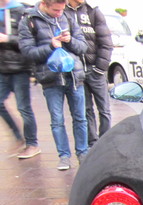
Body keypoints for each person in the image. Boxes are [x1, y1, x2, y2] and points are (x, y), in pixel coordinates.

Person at [18, 0, 88, 170]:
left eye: (62, 10)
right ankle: (64, 156)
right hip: (50, 78)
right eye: (56, 10)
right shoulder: (29, 20)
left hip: (73, 75)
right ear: (44, 4)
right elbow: (27, 52)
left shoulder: (68, 16)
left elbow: (83, 46)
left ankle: (83, 153)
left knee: (80, 117)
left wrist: (70, 40)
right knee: (57, 120)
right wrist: (50, 46)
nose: (59, 13)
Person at [65, 0, 112, 148]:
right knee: (86, 110)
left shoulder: (93, 11)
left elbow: (106, 42)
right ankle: (93, 143)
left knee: (104, 109)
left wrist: (100, 68)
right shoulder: (63, 12)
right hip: (77, 71)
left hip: (95, 69)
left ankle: (106, 142)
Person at [0, 0, 39, 159]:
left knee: (24, 108)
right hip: (2, 68)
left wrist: (7, 39)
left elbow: (27, 39)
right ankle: (18, 136)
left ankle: (32, 144)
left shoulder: (21, 11)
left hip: (19, 67)